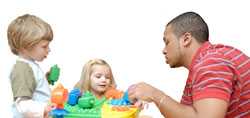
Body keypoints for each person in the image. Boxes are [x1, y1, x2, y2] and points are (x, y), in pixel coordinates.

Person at [128, 11, 250, 118]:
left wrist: (154, 94)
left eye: (167, 42)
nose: (164, 50)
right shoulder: (210, 59)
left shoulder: (211, 63)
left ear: (186, 39)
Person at [7, 14, 54, 118]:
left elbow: (34, 87)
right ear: (25, 47)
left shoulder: (30, 65)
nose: (49, 50)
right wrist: (44, 109)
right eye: (44, 46)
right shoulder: (22, 69)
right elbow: (22, 104)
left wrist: (46, 79)